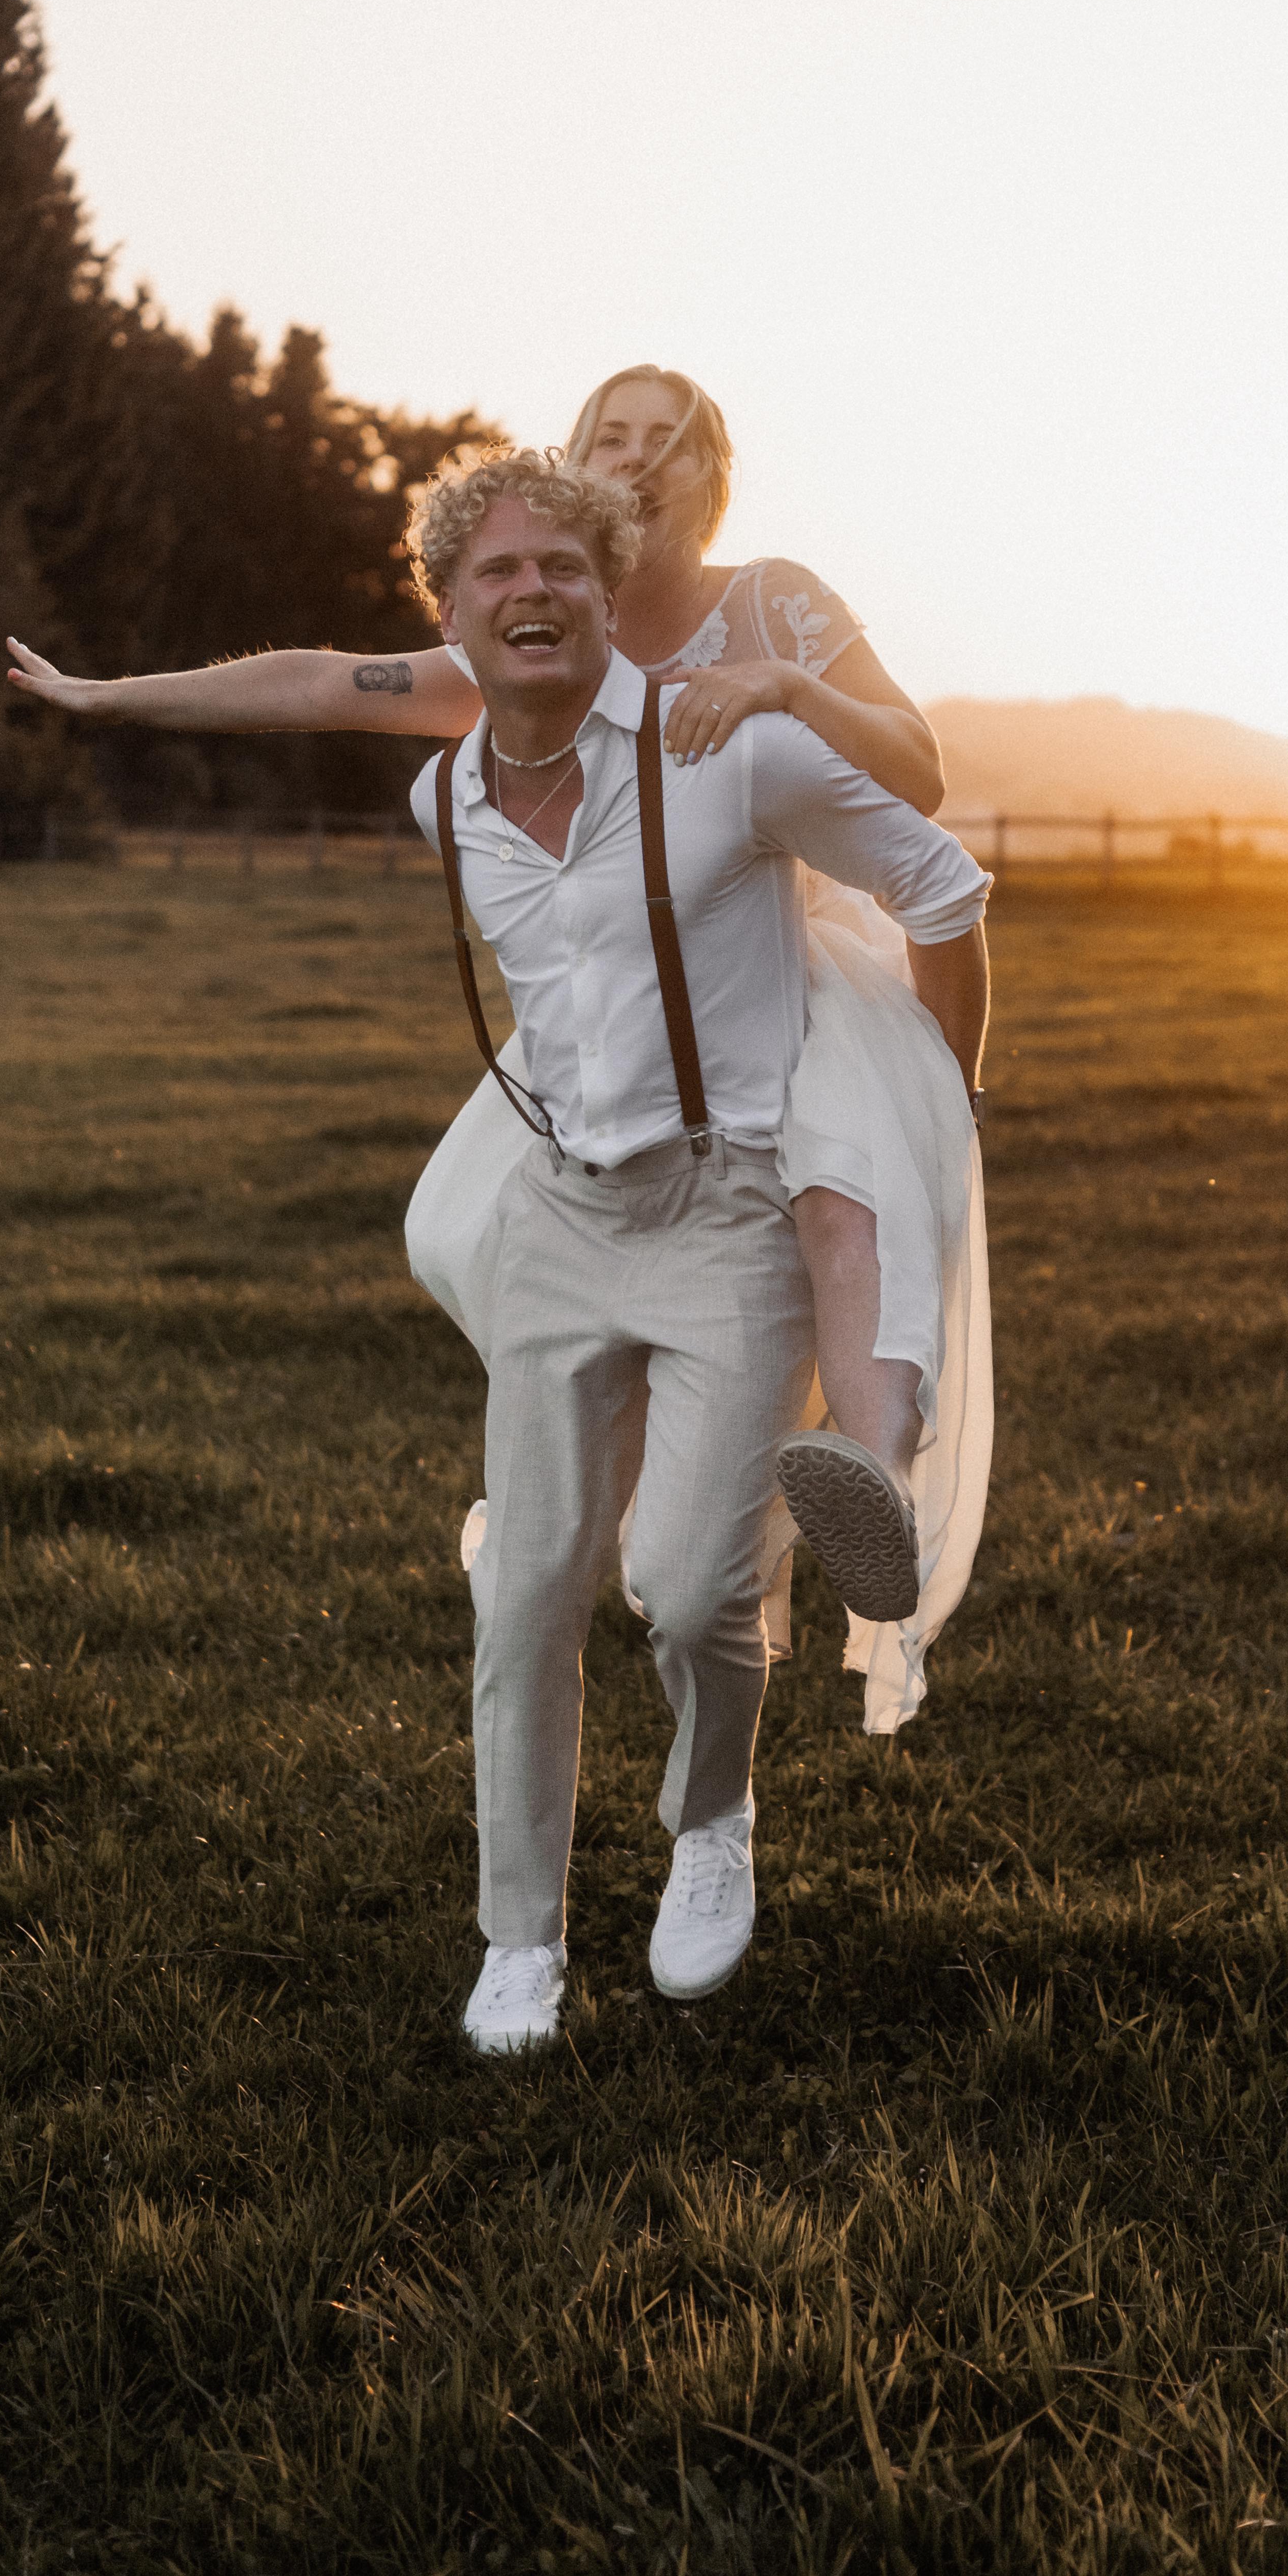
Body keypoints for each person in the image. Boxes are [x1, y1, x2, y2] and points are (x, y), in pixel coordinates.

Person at [5, 366, 992, 1726]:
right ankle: (615, 1513)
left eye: (669, 440)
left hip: (792, 974)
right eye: (612, 436)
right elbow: (321, 684)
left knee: (843, 1201)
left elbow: (919, 770)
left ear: (711, 478)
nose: (640, 456)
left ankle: (872, 1490)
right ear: (575, 468)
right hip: (620, 1028)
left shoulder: (777, 597)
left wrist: (781, 688)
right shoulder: (534, 629)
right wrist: (113, 698)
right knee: (534, 1269)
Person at [396, 447, 988, 2047]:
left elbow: (939, 880)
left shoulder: (727, 752)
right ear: (452, 618)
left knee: (680, 1588)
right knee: (525, 1594)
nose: (534, 595)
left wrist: (944, 1103)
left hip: (727, 1220)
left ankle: (712, 1821)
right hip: (560, 1224)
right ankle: (520, 1939)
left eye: (564, 572)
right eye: (499, 575)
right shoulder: (442, 795)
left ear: (611, 600)